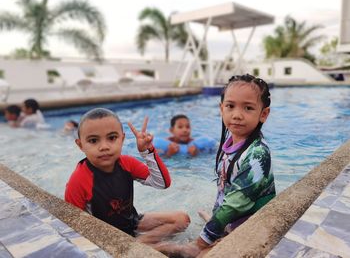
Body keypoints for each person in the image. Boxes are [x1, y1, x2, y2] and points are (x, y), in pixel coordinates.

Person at [157, 74, 276, 257]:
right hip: (233, 219)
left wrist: (199, 243)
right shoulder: (230, 142)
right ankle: (220, 229)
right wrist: (215, 221)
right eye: (230, 106)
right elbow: (224, 189)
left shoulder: (257, 154)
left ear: (264, 114)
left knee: (192, 254)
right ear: (222, 109)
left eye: (248, 108)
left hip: (253, 225)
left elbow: (235, 204)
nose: (237, 115)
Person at [64, 108, 190, 245]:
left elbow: (162, 183)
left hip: (131, 221)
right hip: (108, 238)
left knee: (182, 220)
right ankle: (142, 247)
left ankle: (140, 243)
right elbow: (74, 225)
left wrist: (147, 152)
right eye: (93, 140)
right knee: (174, 249)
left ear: (122, 139)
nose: (104, 146)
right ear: (80, 145)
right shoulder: (78, 181)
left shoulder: (127, 164)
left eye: (112, 138)